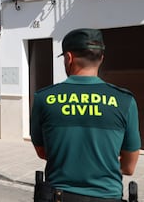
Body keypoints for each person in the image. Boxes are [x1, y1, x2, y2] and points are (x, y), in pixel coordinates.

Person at [31, 28, 141, 202]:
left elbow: (43, 151)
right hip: (108, 196)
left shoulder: (43, 98)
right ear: (101, 58)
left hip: (60, 196)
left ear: (69, 58)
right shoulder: (124, 100)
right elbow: (129, 167)